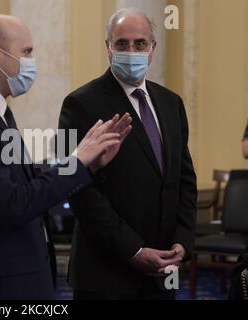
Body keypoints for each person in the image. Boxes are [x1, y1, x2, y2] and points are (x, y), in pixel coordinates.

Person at [0, 13, 132, 300]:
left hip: (16, 277)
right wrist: (75, 161)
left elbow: (24, 183)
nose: (31, 61)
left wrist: (88, 164)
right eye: (26, 52)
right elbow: (12, 205)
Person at [58, 8, 197, 300]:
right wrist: (134, 250)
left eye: (140, 43)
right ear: (108, 47)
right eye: (121, 43)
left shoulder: (171, 103)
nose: (131, 50)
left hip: (163, 270)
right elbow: (79, 189)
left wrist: (182, 241)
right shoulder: (80, 104)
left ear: (152, 48)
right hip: (107, 275)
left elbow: (183, 178)